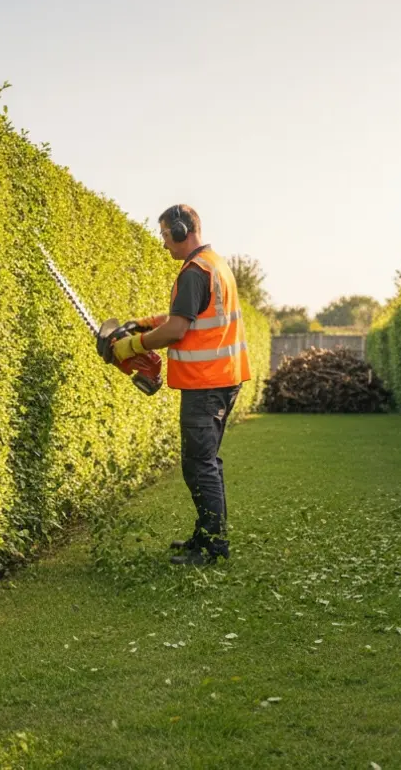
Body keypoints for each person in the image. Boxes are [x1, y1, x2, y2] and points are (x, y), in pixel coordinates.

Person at [107, 204, 251, 565]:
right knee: (204, 462)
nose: (163, 243)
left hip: (206, 384)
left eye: (165, 235)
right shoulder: (213, 265)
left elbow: (176, 329)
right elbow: (187, 315)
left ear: (182, 230)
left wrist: (131, 345)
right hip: (221, 378)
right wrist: (142, 323)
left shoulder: (194, 271)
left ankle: (213, 547)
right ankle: (206, 536)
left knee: (200, 465)